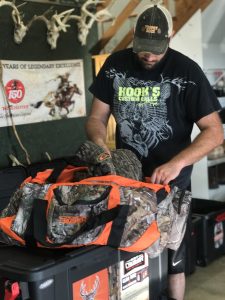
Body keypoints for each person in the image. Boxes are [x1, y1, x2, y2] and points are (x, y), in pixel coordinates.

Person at [86, 3, 224, 300]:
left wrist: (176, 164)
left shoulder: (187, 72)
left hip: (171, 185)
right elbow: (96, 118)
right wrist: (101, 148)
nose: (148, 55)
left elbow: (214, 132)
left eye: (156, 49)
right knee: (129, 253)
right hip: (128, 181)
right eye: (143, 47)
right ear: (134, 36)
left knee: (173, 259)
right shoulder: (116, 64)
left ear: (170, 36)